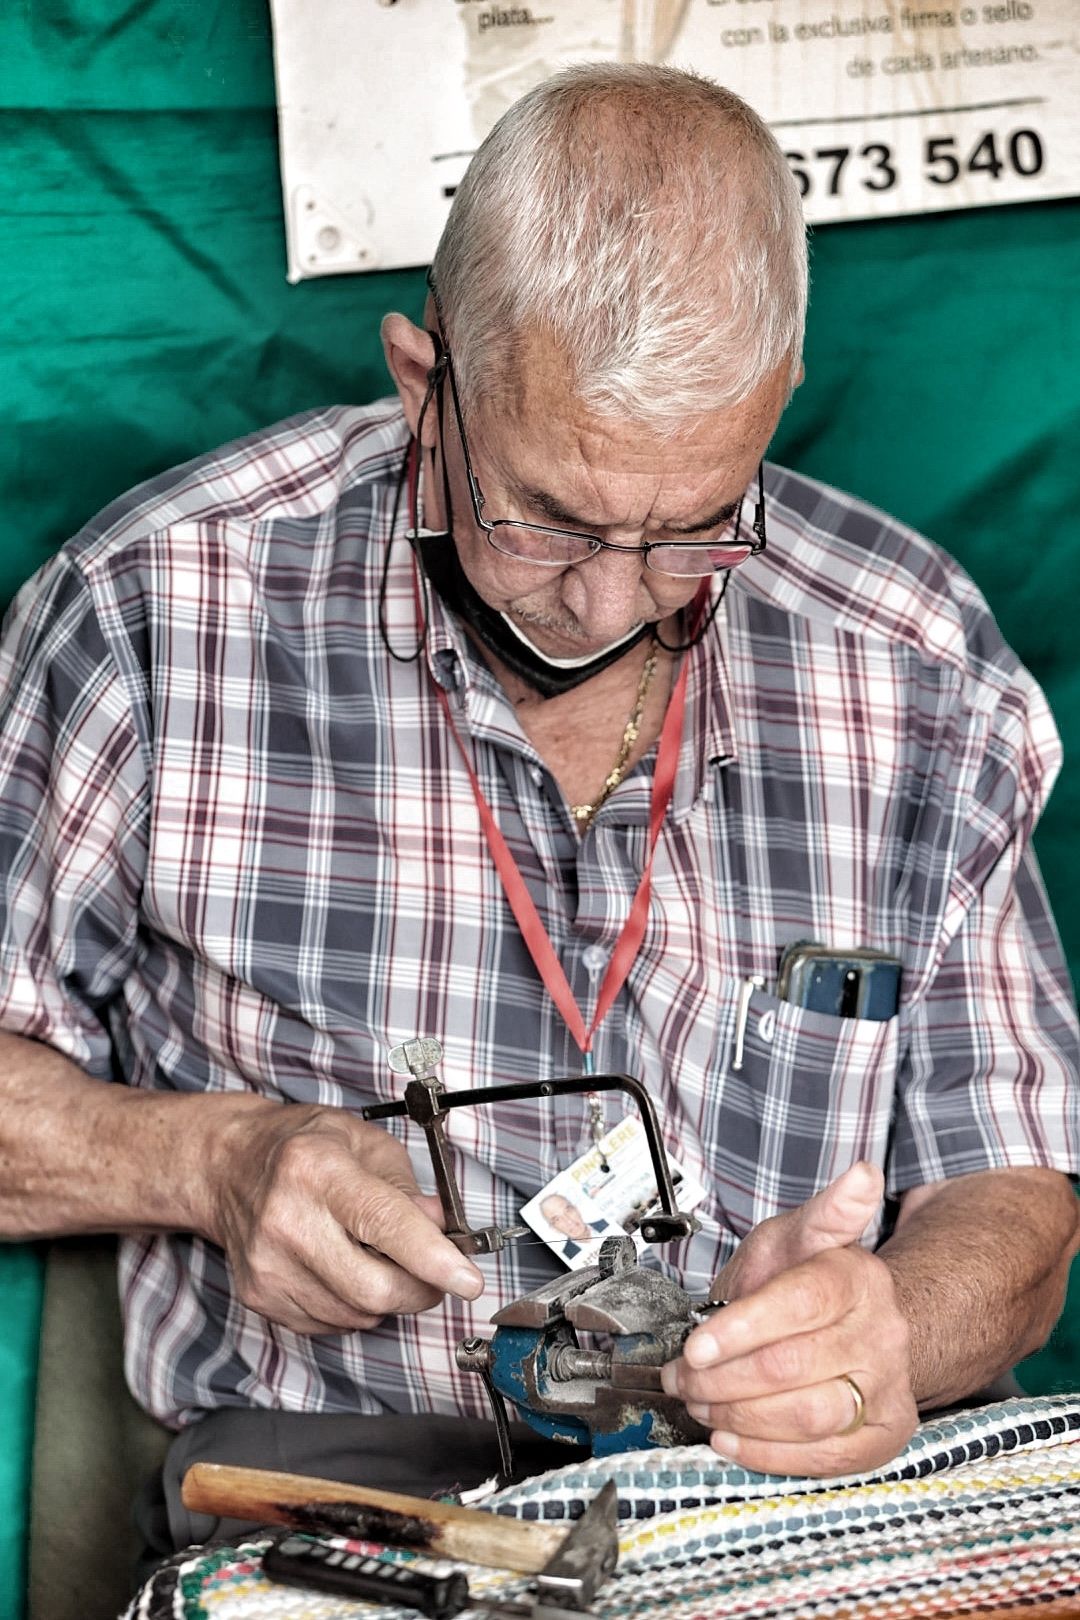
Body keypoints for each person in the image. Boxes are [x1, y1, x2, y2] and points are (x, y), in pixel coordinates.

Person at [0, 63, 1077, 1565]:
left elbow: (1016, 1186)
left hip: (775, 1488)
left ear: (770, 413)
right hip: (347, 1480)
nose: (609, 602)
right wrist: (213, 1163)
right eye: (546, 519)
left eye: (697, 526)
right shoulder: (156, 616)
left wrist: (893, 1323)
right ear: (423, 379)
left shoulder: (914, 667)